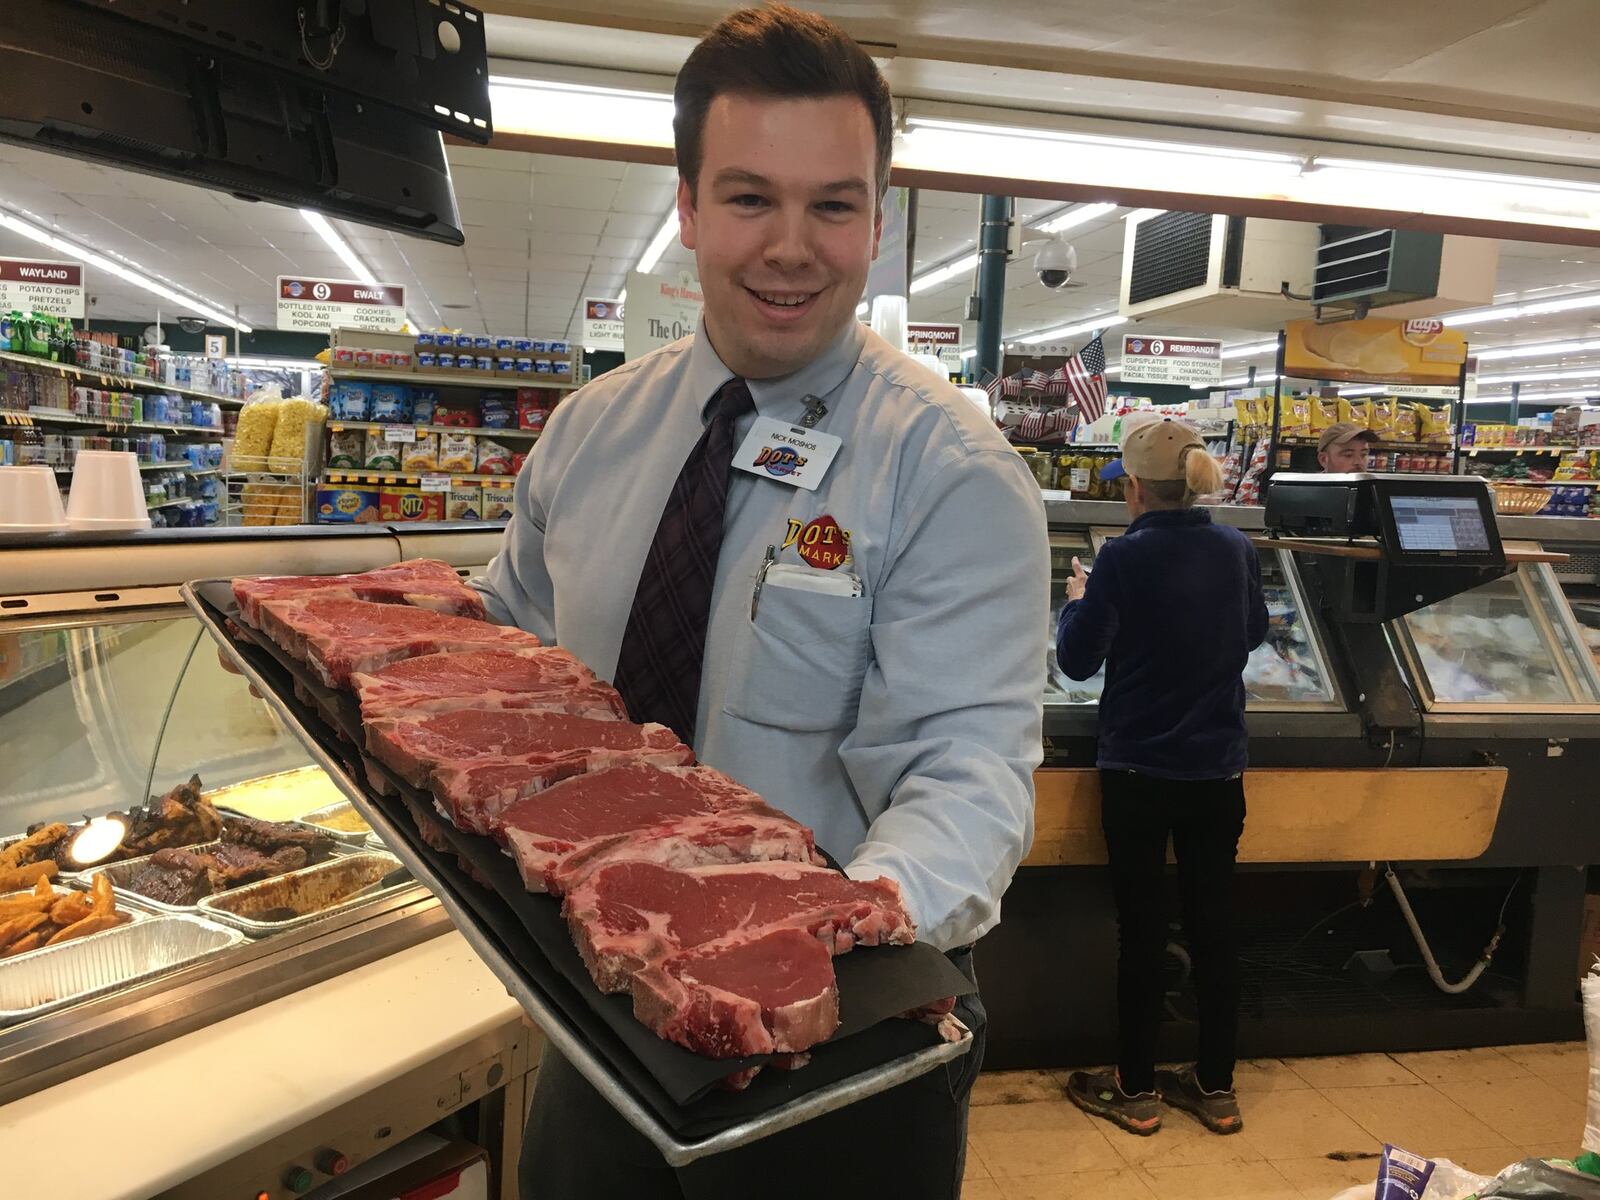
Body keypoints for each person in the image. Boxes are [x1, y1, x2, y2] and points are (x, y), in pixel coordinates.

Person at [472, 7, 1049, 1197]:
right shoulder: (591, 435)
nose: (791, 245)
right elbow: (508, 659)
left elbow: (966, 768)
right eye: (748, 199)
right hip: (609, 997)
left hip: (843, 1038)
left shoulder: (950, 470)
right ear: (686, 208)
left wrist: (817, 944)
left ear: (876, 224)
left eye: (832, 204)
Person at [1054, 418, 1267, 1138]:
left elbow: (1078, 662)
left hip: (1139, 768)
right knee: (1215, 925)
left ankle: (1135, 1088)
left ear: (1137, 487)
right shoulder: (1236, 546)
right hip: (1217, 771)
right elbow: (1255, 631)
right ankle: (1215, 1086)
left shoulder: (1122, 557)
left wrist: (1078, 600)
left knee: (1141, 930)